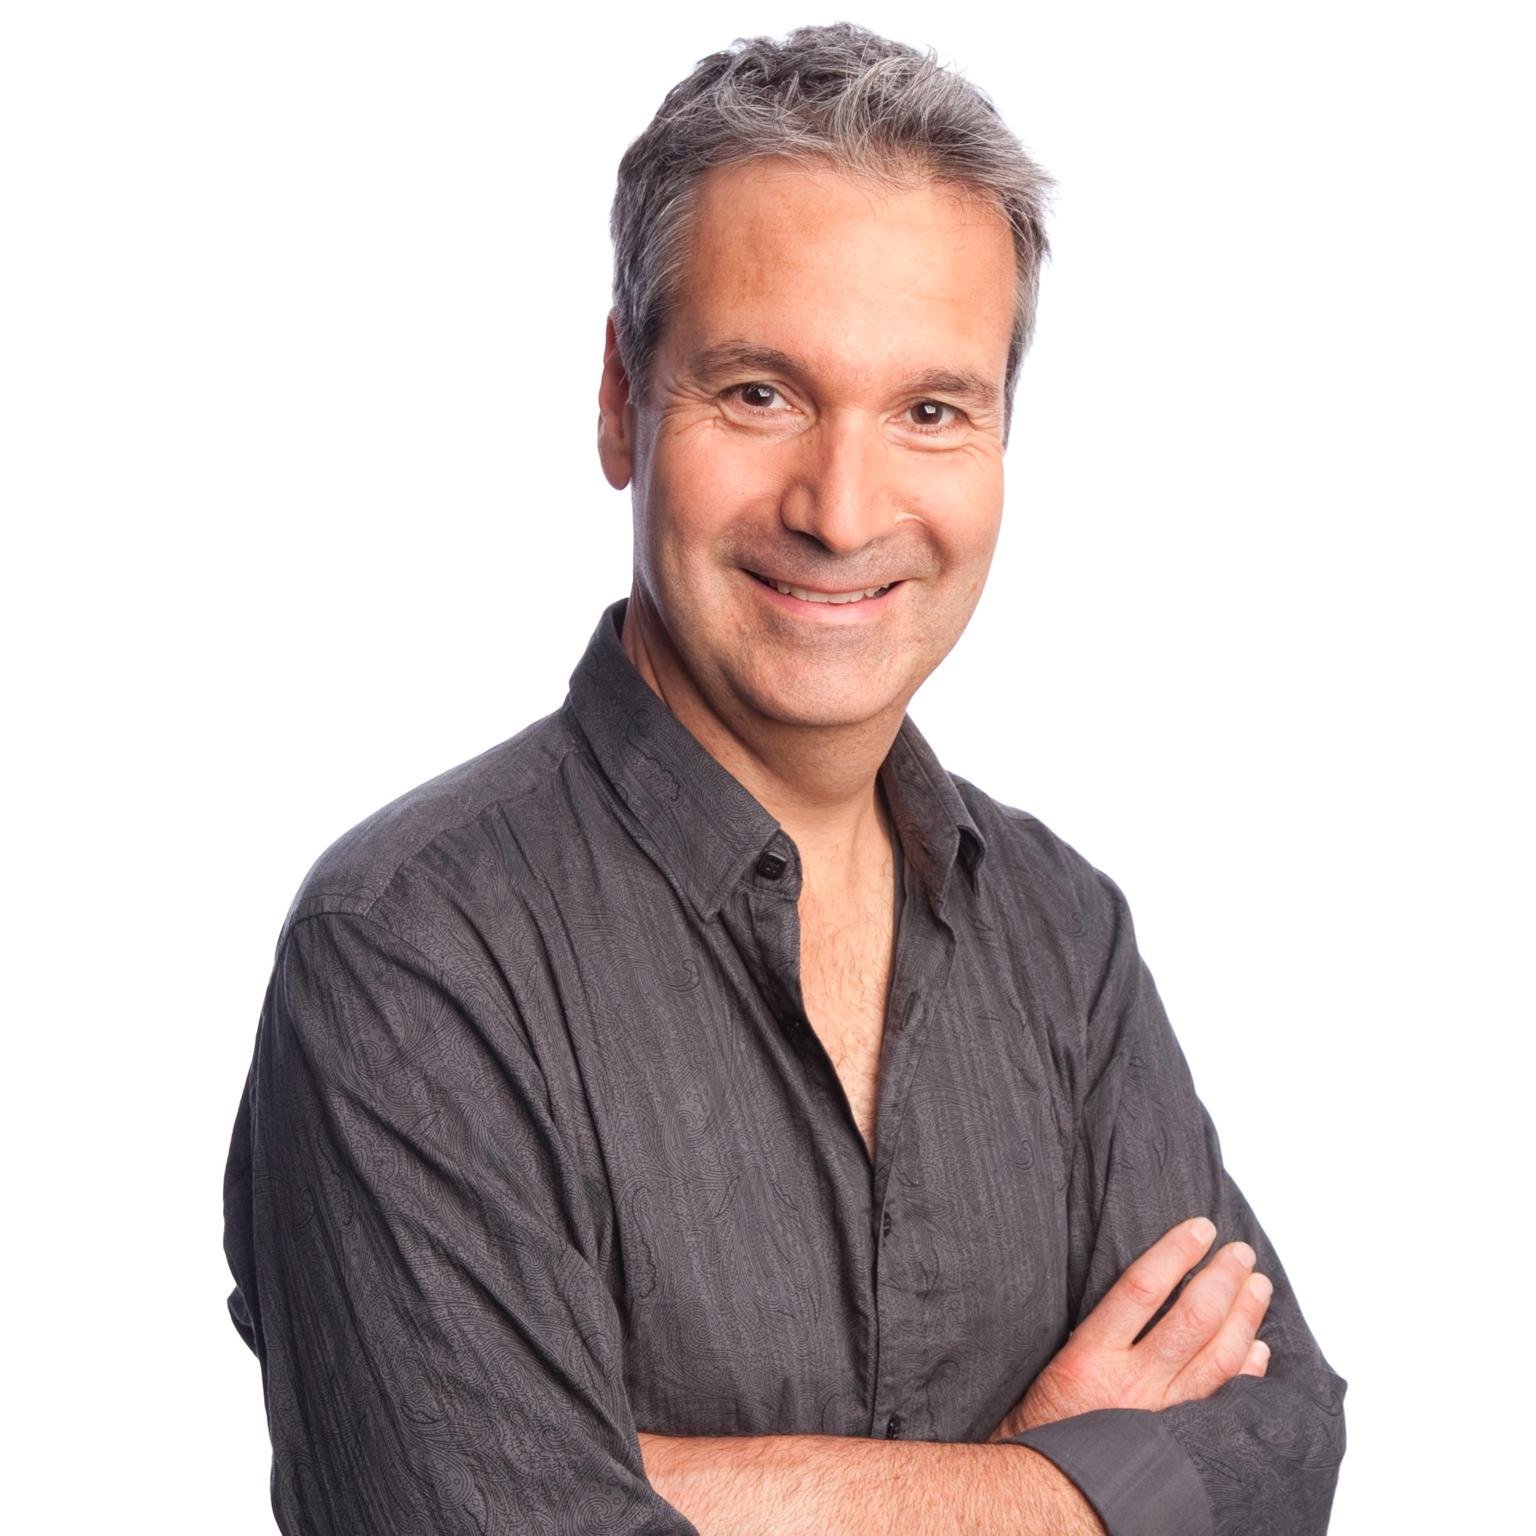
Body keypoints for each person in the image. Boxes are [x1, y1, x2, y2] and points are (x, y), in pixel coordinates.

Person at [222, 21, 1347, 1535]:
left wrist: (688, 1485)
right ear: (620, 397)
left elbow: (1279, 1454)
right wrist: (1066, 1485)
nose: (843, 507)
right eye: (761, 393)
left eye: (931, 411)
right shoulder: (411, 958)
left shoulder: (1063, 939)